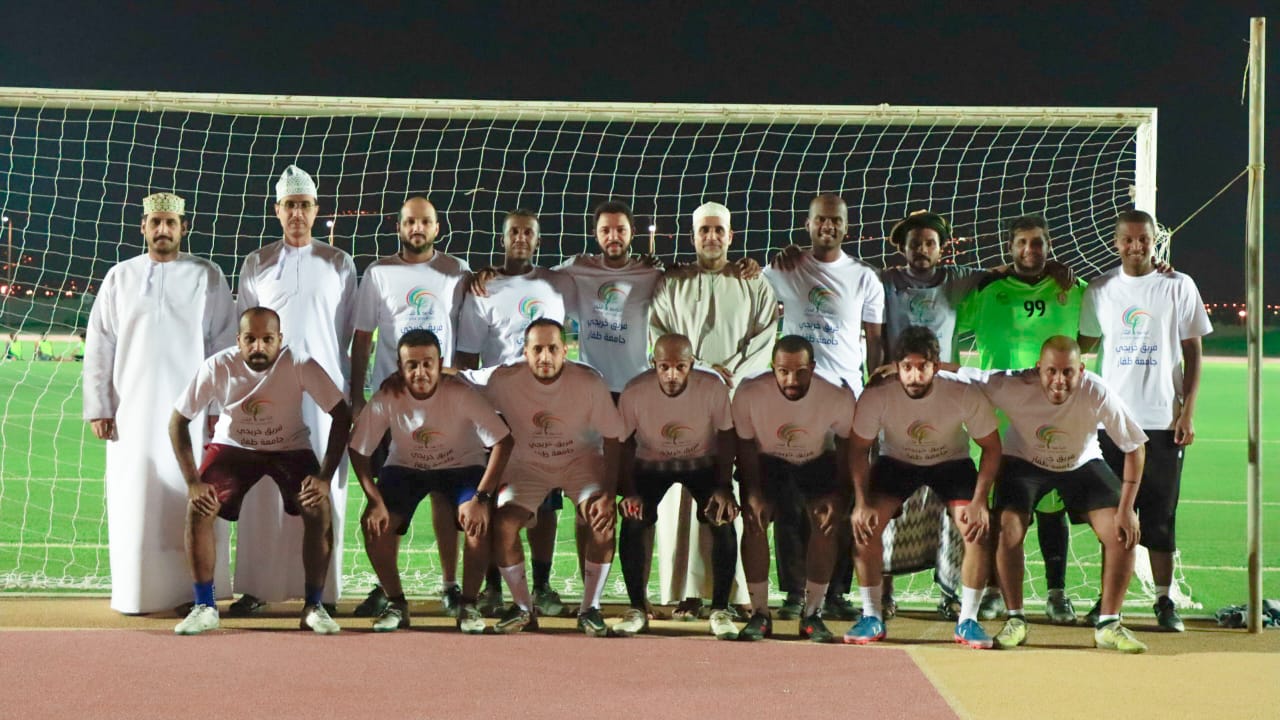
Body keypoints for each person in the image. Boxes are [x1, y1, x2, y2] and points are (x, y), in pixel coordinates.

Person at [470, 200, 659, 618]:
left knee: (615, 504)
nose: (613, 236)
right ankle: (515, 598)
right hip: (525, 408)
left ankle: (612, 601)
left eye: (621, 230)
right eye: (605, 229)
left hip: (621, 397)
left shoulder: (649, 272)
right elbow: (464, 375)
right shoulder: (573, 272)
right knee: (520, 507)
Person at [82, 191, 237, 615]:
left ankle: (199, 592)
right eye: (156, 223)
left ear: (183, 227)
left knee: (193, 497)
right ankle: (138, 593)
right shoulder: (119, 277)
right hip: (132, 415)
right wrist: (100, 406)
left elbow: (223, 346)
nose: (163, 230)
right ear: (144, 227)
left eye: (171, 223)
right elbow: (100, 344)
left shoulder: (208, 275)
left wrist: (219, 412)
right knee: (137, 499)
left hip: (193, 418)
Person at [170, 307, 352, 635]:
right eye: (250, 339)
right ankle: (205, 606)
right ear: (238, 340)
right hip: (233, 448)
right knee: (199, 507)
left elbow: (341, 413)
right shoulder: (218, 366)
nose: (258, 347)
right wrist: (193, 481)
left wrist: (324, 478)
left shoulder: (298, 362)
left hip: (290, 448)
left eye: (267, 339)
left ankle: (314, 606)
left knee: (318, 505)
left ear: (279, 340)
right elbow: (178, 421)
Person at [964, 336, 1149, 653]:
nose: (1059, 380)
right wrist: (911, 369)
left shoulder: (1096, 391)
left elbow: (1135, 446)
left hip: (1081, 463)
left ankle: (1108, 624)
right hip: (1023, 461)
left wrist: (1127, 508)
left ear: (1081, 369)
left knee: (1121, 533)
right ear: (1038, 369)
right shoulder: (1014, 385)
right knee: (1007, 529)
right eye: (1051, 371)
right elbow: (965, 375)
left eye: (1068, 372)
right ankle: (1016, 619)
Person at [1079, 209, 1211, 632]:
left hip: (1161, 419)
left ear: (1156, 241)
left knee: (1159, 516)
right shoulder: (1098, 290)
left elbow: (1193, 352)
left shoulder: (1178, 285)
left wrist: (1187, 410)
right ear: (1115, 242)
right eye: (1128, 239)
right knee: (1112, 515)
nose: (1136, 246)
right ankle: (1108, 599)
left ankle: (1163, 600)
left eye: (1144, 239)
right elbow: (1082, 345)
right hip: (1110, 423)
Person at [232, 165, 356, 614]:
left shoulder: (339, 263)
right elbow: (242, 335)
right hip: (266, 393)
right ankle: (257, 588)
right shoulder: (256, 264)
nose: (298, 214)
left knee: (322, 489)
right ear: (277, 210)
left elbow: (343, 333)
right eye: (290, 206)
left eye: (305, 206)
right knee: (263, 491)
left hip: (324, 398)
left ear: (317, 210)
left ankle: (321, 593)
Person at [648, 201, 774, 619]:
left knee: (731, 491)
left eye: (719, 230)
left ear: (731, 236)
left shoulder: (752, 282)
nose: (712, 237)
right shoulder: (672, 282)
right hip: (681, 401)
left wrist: (730, 374)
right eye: (704, 230)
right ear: (693, 236)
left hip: (736, 400)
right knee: (678, 498)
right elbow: (660, 335)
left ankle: (735, 591)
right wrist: (697, 372)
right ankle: (685, 592)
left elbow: (765, 337)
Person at [956, 214, 1085, 624]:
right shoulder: (987, 290)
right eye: (1023, 243)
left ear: (1049, 247)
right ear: (1009, 248)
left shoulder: (1071, 288)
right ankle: (994, 590)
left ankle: (1057, 592)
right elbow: (949, 324)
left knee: (1051, 503)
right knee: (999, 505)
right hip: (998, 417)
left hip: (1052, 413)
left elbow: (1094, 332)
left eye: (1038, 244)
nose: (1030, 251)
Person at [349, 196, 472, 618]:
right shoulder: (379, 272)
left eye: (424, 222)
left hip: (443, 403)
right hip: (393, 406)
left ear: (437, 227)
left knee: (444, 496)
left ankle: (450, 585)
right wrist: (356, 395)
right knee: (387, 500)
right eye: (409, 222)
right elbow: (363, 336)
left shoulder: (456, 271)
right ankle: (387, 589)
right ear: (398, 227)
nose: (416, 228)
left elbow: (467, 330)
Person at [844, 326, 1001, 648]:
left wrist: (980, 501)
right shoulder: (878, 395)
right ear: (897, 366)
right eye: (907, 367)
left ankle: (968, 622)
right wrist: (861, 503)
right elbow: (858, 449)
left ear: (936, 365)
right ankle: (872, 615)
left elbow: (992, 447)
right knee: (865, 529)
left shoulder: (963, 393)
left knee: (976, 530)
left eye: (922, 367)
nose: (915, 376)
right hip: (897, 462)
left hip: (951, 463)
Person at [763, 193, 880, 620]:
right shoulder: (786, 268)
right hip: (795, 400)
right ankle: (794, 593)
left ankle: (836, 592)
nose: (827, 226)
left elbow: (876, 339)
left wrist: (873, 391)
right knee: (790, 502)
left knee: (843, 499)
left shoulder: (864, 276)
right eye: (819, 220)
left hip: (846, 403)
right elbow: (747, 280)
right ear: (807, 224)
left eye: (835, 221)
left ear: (846, 226)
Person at [455, 209, 578, 617]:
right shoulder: (483, 288)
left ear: (538, 241)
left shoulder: (557, 283)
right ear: (503, 238)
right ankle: (492, 588)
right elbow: (468, 355)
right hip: (497, 412)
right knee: (490, 500)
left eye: (528, 232)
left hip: (548, 408)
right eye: (513, 232)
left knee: (545, 503)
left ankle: (541, 586)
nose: (521, 238)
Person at [349, 329, 512, 634]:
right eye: (412, 365)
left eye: (428, 363)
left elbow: (503, 441)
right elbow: (358, 449)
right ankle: (396, 603)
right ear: (400, 368)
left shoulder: (460, 393)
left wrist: (482, 498)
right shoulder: (389, 395)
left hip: (462, 466)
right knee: (373, 526)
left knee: (477, 524)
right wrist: (374, 500)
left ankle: (468, 604)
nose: (420, 372)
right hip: (407, 468)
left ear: (440, 364)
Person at [483, 319, 624, 636]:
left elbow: (614, 437)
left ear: (566, 350)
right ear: (525, 352)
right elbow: (462, 381)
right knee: (503, 524)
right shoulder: (503, 379)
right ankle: (522, 609)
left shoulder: (589, 382)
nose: (544, 357)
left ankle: (590, 609)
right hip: (527, 465)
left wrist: (608, 493)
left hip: (580, 461)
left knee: (601, 520)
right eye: (537, 349)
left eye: (552, 349)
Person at [615, 333, 740, 639]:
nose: (672, 375)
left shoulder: (711, 388)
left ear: (692, 364)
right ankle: (636, 608)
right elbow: (622, 443)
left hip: (701, 462)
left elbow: (726, 436)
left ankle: (720, 609)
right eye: (664, 367)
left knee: (721, 517)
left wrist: (724, 485)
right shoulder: (635, 391)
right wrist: (628, 490)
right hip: (651, 464)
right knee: (633, 519)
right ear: (652, 363)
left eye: (680, 367)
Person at [733, 335, 856, 642]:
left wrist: (841, 495)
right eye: (783, 371)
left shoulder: (836, 395)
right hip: (768, 460)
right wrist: (752, 493)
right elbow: (745, 447)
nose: (791, 379)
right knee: (754, 519)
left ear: (812, 368)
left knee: (825, 522)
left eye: (800, 371)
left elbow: (847, 446)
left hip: (816, 459)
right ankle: (760, 613)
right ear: (772, 368)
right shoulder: (749, 393)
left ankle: (812, 614)